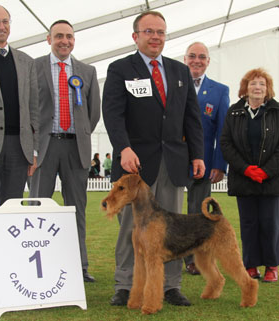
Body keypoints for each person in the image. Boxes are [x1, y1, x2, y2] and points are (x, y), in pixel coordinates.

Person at [102, 11, 205, 306]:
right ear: (136, 36)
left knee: (171, 228)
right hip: (134, 165)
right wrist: (123, 148)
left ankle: (171, 286)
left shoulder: (179, 71)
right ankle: (125, 283)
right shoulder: (120, 68)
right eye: (149, 31)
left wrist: (197, 154)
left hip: (173, 161)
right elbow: (113, 113)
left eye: (160, 32)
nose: (155, 37)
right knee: (130, 229)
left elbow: (192, 118)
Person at [29, 20, 100, 282]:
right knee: (38, 207)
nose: (64, 41)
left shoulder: (87, 71)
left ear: (74, 40)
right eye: (59, 36)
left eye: (69, 36)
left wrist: (78, 134)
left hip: (76, 148)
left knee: (76, 210)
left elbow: (93, 114)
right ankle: (37, 263)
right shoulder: (32, 67)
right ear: (49, 39)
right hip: (43, 149)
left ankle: (79, 266)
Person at [0, 4, 39, 234]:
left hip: (19, 148)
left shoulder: (26, 62)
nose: (1, 26)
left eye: (5, 22)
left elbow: (34, 108)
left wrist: (33, 151)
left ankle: (7, 264)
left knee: (12, 209)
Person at [220, 68, 279, 283]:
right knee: (248, 223)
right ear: (245, 88)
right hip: (243, 179)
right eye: (253, 83)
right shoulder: (234, 111)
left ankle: (272, 265)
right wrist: (245, 169)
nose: (257, 88)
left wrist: (266, 171)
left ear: (268, 89)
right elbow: (225, 143)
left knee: (270, 223)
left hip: (271, 180)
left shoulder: (276, 111)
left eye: (262, 84)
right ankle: (251, 265)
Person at [183, 42, 229, 275]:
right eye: (192, 56)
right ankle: (167, 254)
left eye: (202, 57)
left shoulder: (220, 91)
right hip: (171, 158)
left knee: (198, 212)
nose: (197, 60)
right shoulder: (174, 83)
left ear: (208, 61)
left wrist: (220, 164)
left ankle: (194, 259)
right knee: (165, 208)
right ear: (185, 59)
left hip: (203, 161)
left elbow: (223, 131)